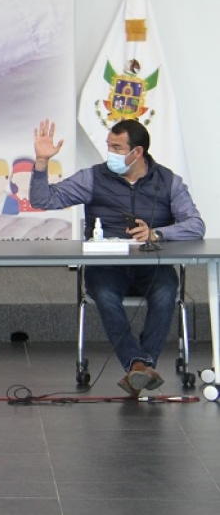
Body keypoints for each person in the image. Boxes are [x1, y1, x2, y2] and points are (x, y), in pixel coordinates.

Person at [30, 118, 205, 397]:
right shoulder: (92, 178)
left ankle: (140, 366)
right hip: (107, 265)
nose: (110, 153)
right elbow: (43, 200)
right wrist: (41, 162)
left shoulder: (168, 181)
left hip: (151, 264)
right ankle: (139, 365)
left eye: (117, 148)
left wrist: (157, 234)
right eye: (108, 146)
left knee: (165, 292)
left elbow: (196, 226)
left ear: (137, 152)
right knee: (105, 294)